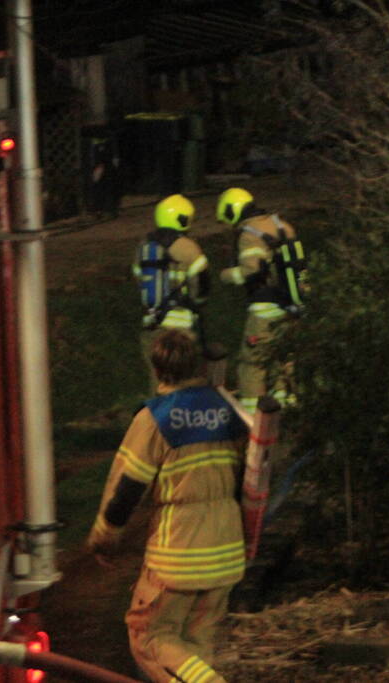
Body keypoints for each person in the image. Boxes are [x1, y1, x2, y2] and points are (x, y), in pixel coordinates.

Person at [85, 329, 247, 683]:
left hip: (180, 553)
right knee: (195, 644)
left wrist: (104, 537)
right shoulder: (228, 409)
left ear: (158, 369)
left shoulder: (155, 418)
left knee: (149, 635)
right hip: (228, 549)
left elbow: (127, 489)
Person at [216, 187, 301, 413]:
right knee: (283, 361)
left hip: (265, 308)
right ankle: (288, 414)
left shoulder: (249, 234)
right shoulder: (283, 226)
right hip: (292, 306)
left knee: (252, 364)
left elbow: (252, 269)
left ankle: (252, 420)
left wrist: (227, 275)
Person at [134, 194, 210, 394]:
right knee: (184, 379)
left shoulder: (144, 247)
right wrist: (197, 304)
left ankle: (157, 420)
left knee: (157, 380)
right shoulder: (189, 248)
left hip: (153, 323)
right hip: (181, 328)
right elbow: (202, 287)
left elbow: (138, 279)